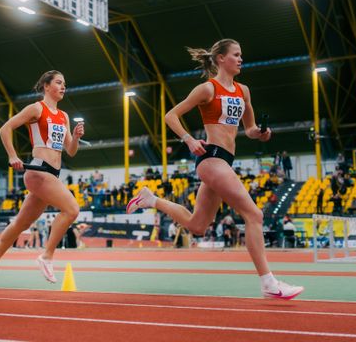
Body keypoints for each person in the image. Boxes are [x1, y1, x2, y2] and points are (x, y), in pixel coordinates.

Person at [126, 39, 303, 300]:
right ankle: (268, 282)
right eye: (236, 55)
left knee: (198, 225)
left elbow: (250, 129)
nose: (241, 59)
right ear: (221, 58)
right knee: (254, 215)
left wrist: (261, 133)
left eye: (241, 55)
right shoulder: (208, 89)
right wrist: (188, 139)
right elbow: (170, 116)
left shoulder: (243, 91)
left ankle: (151, 199)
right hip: (211, 159)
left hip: (225, 162)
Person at [0, 70, 84, 286]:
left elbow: (71, 151)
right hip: (38, 170)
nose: (63, 86)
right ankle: (46, 256)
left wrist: (74, 137)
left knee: (22, 222)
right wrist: (12, 155)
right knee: (72, 209)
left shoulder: (64, 116)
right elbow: (5, 128)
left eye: (64, 83)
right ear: (46, 86)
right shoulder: (37, 108)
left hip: (52, 173)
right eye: (58, 82)